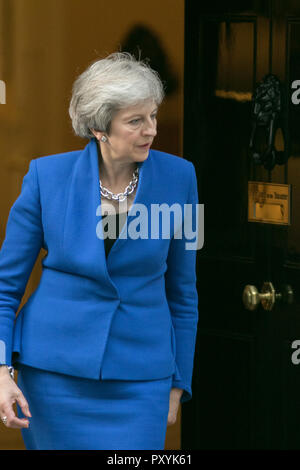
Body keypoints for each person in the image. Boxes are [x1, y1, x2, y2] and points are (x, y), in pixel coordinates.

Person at [0, 52, 199, 450]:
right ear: (98, 128)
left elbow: (184, 292)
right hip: (52, 376)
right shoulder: (45, 177)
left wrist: (179, 383)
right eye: (135, 121)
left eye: (153, 116)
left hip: (141, 378)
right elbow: (5, 288)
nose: (151, 131)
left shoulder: (182, 178)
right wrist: (1, 371)